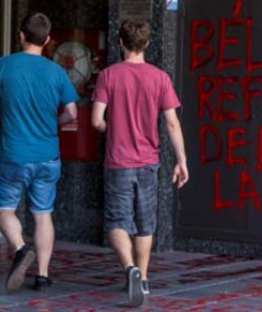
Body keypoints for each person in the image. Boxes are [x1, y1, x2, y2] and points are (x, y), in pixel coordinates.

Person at [91, 19, 189, 307]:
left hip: (118, 162)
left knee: (117, 222)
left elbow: (97, 121)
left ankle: (129, 269)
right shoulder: (160, 78)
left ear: (120, 43)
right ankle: (143, 278)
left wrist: (115, 128)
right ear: (146, 44)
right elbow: (171, 122)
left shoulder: (108, 76)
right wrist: (181, 160)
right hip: (149, 162)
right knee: (146, 223)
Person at [0, 12, 79, 293]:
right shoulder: (56, 72)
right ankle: (42, 274)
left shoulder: (3, 66)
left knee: (3, 209)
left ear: (21, 35)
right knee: (42, 214)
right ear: (47, 40)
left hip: (13, 154)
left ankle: (21, 248)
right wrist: (55, 122)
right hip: (48, 155)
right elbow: (72, 113)